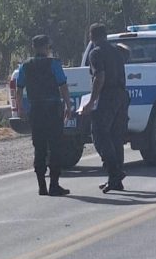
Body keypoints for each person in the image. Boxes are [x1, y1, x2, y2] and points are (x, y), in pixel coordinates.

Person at [16, 34, 72, 196]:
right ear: (46, 47)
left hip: (36, 110)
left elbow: (19, 89)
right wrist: (68, 105)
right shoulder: (54, 64)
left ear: (34, 48)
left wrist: (20, 108)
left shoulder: (25, 66)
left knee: (39, 147)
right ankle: (54, 185)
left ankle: (42, 186)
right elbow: (63, 86)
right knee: (55, 147)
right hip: (52, 109)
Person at [83, 23, 129, 193]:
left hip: (107, 97)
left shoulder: (95, 53)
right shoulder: (117, 51)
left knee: (100, 135)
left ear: (91, 36)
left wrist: (91, 101)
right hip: (121, 96)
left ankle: (114, 173)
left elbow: (99, 77)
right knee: (116, 136)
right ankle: (115, 178)